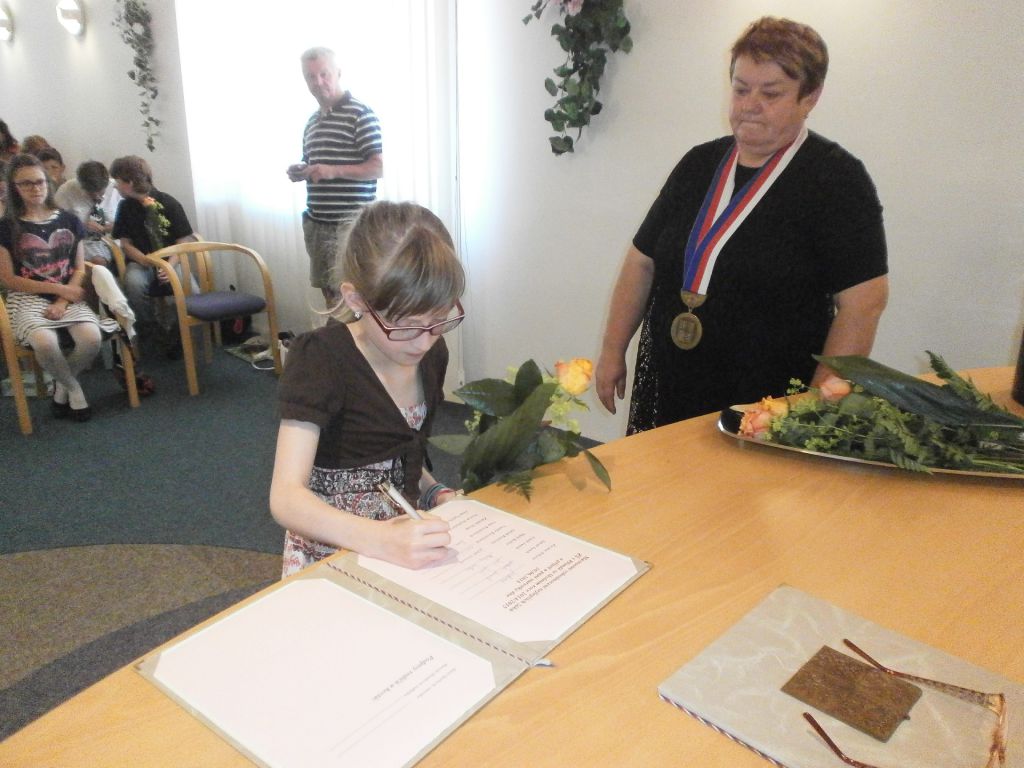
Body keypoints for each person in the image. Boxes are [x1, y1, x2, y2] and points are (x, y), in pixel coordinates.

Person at [596, 17, 889, 433]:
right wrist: (612, 350)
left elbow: (864, 302)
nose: (750, 104)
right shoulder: (698, 164)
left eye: (771, 93)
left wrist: (815, 408)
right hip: (675, 387)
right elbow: (642, 262)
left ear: (810, 97)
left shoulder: (836, 181)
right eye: (741, 89)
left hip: (770, 405)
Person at [269, 201, 465, 578]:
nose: (423, 342)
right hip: (332, 550)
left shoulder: (431, 353)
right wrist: (380, 540)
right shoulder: (321, 359)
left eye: (438, 321)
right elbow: (286, 498)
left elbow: (402, 454)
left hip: (403, 540)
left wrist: (433, 491)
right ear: (356, 299)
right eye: (404, 326)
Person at [0, 154, 117, 421]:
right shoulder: (5, 228)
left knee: (91, 338)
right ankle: (74, 391)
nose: (35, 188)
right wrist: (61, 292)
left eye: (39, 181)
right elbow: (8, 279)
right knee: (45, 343)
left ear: (48, 183)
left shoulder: (69, 220)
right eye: (26, 183)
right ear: (15, 188)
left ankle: (60, 386)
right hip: (27, 297)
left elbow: (78, 269)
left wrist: (63, 299)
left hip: (68, 295)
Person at [287, 46, 383, 307]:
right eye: (311, 77)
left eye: (324, 74)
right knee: (330, 297)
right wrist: (301, 171)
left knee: (355, 299)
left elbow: (378, 167)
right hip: (318, 224)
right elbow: (315, 166)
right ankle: (336, 336)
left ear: (338, 73)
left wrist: (333, 170)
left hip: (351, 226)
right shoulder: (311, 122)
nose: (318, 82)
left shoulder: (360, 114)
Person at [109, 154, 196, 357]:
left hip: (172, 261)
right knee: (133, 284)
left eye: (118, 182)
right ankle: (151, 329)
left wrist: (170, 265)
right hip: (141, 262)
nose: (116, 187)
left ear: (129, 183)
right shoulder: (125, 207)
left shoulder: (169, 203)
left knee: (191, 289)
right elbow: (125, 243)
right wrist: (143, 259)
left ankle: (177, 334)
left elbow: (183, 241)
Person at [55, 160, 123, 267]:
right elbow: (55, 221)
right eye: (91, 193)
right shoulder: (66, 191)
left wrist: (111, 227)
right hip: (82, 239)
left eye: (100, 193)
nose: (97, 197)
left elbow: (128, 221)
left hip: (112, 239)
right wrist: (80, 226)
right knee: (97, 261)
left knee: (102, 260)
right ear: (81, 185)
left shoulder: (117, 189)